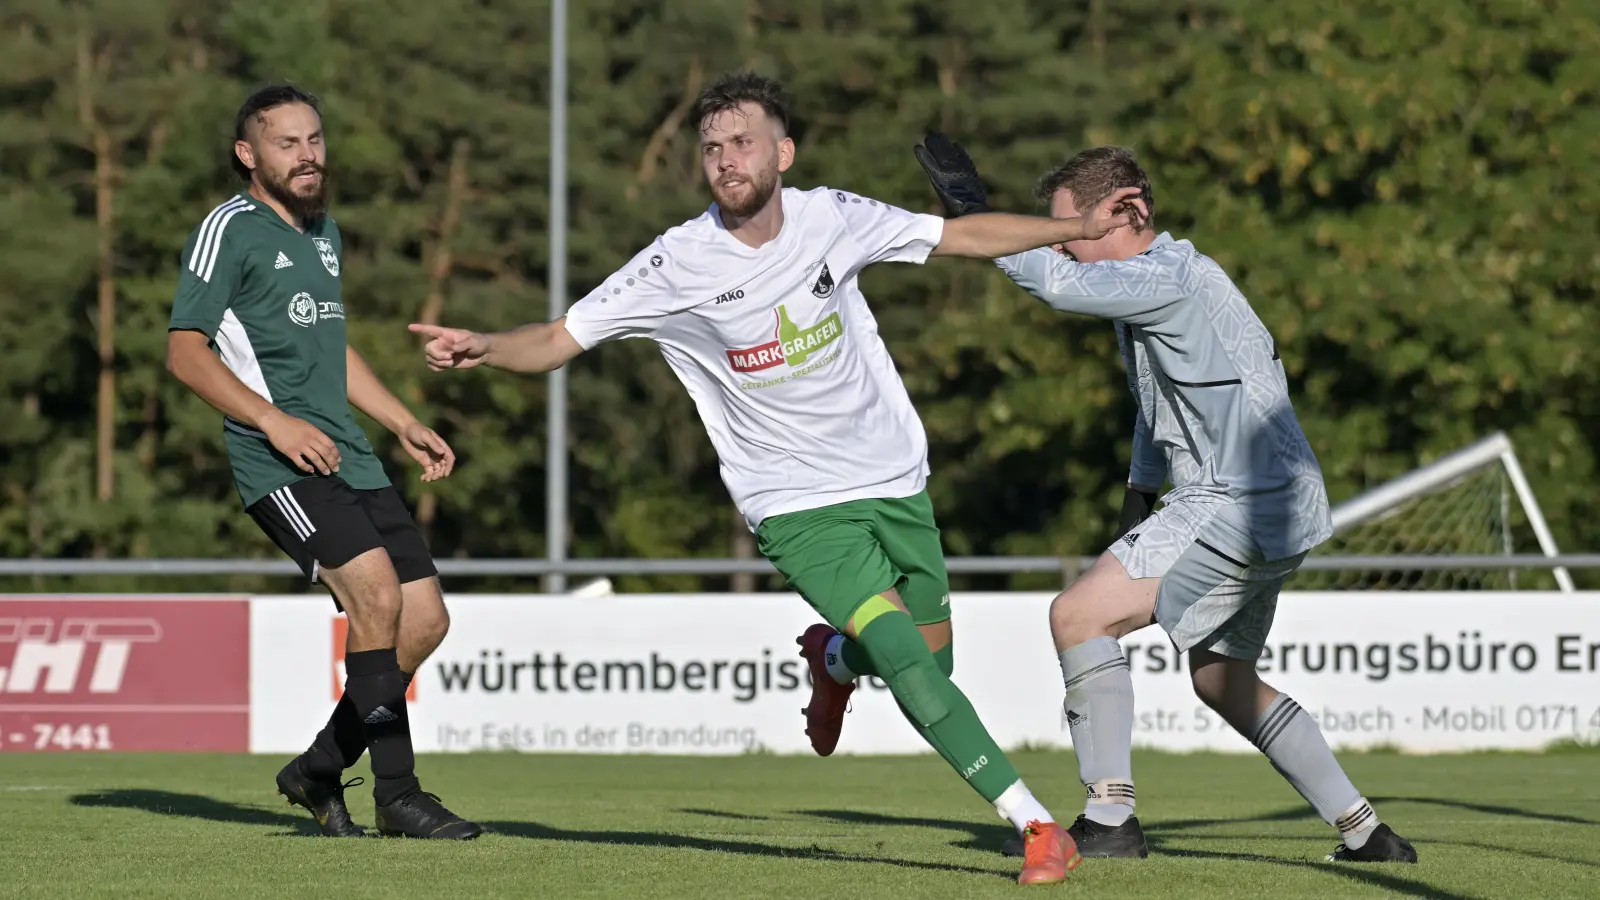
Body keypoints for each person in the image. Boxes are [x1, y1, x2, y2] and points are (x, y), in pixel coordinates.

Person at [410, 70, 1140, 884]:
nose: (726, 159)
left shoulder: (835, 217)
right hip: (792, 503)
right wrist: (487, 347)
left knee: (931, 666)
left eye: (743, 142)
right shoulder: (675, 262)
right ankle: (1038, 826)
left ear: (782, 153)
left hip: (891, 476)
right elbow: (557, 337)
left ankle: (834, 662)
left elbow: (961, 238)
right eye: (711, 148)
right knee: (904, 657)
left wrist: (1069, 228)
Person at [915, 137, 1417, 864]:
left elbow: (1056, 287)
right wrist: (1139, 498)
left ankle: (1110, 819)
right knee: (1223, 681)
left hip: (1238, 499)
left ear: (1128, 211)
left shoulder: (1169, 275)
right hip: (1280, 503)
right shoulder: (1164, 289)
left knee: (1078, 616)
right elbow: (1158, 412)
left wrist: (974, 214)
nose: (1062, 245)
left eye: (1072, 228)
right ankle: (1367, 833)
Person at [166, 84, 480, 840]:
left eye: (314, 140)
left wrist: (402, 421)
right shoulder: (228, 228)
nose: (307, 155)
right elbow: (184, 353)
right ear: (249, 154)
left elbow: (331, 351)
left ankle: (318, 767)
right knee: (375, 595)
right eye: (287, 143)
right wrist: (273, 421)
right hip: (277, 461)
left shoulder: (323, 231)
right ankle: (398, 795)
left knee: (425, 621)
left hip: (353, 456)